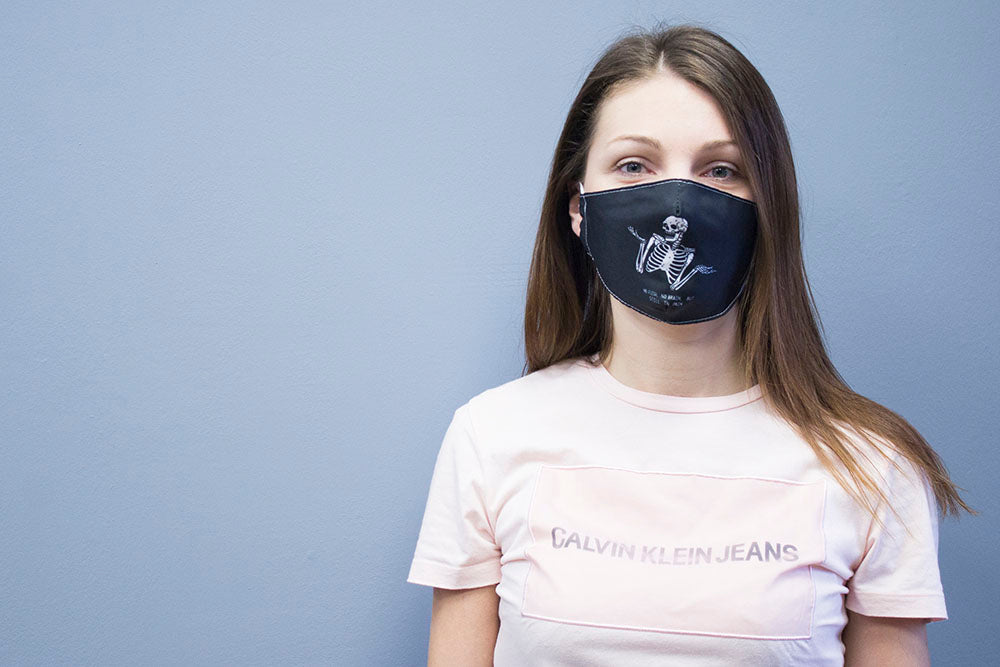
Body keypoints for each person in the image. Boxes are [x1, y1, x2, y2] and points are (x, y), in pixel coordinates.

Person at [406, 22, 973, 666]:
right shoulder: (491, 436)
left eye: (721, 169)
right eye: (633, 165)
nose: (677, 197)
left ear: (767, 206)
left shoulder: (871, 466)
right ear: (578, 207)